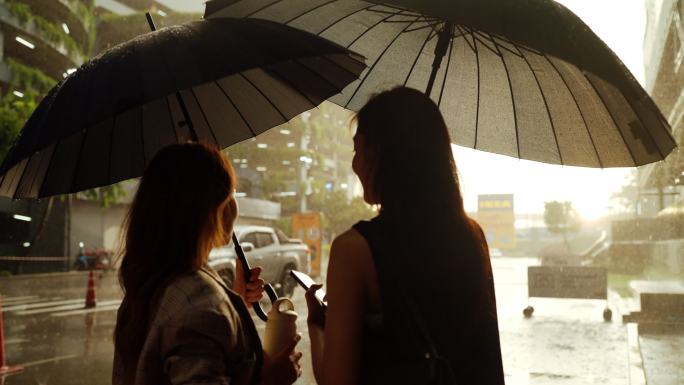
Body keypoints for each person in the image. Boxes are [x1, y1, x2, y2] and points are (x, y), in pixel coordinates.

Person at [306, 87, 505, 385]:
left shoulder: (354, 250)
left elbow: (335, 380)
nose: (354, 164)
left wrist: (317, 324)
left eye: (358, 150)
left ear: (382, 156)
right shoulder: (471, 237)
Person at [113, 143, 302, 385]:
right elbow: (198, 320)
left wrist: (235, 302)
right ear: (214, 207)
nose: (235, 204)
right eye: (232, 192)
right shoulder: (201, 302)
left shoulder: (144, 291)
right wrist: (269, 381)